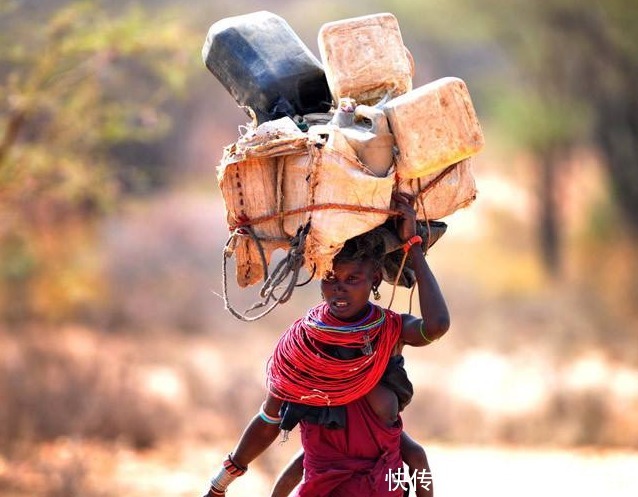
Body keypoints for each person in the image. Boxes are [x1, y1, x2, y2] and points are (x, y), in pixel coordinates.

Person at [202, 193, 449, 497]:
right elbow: (269, 421)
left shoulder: (391, 331)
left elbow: (436, 326)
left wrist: (413, 248)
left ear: (374, 279)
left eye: (352, 278)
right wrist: (220, 484)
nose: (339, 288)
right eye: (330, 278)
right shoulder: (303, 344)